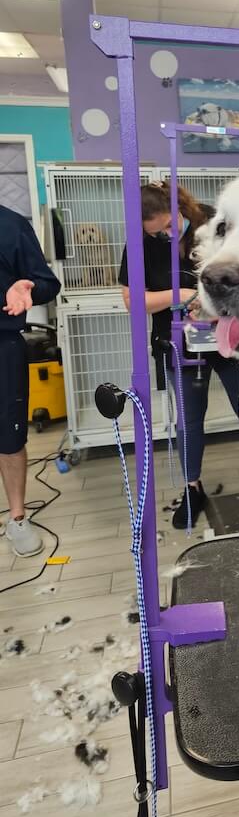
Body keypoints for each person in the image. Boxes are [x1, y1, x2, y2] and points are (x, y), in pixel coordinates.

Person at [119, 182, 239, 528]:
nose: (168, 235)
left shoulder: (216, 224)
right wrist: (177, 296)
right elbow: (131, 301)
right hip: (178, 344)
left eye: (171, 224)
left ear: (179, 206)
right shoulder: (139, 247)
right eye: (158, 233)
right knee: (190, 420)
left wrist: (213, 306)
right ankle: (192, 488)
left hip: (232, 335)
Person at [0, 205, 61, 557]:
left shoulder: (10, 225)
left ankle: (18, 517)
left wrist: (28, 289)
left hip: (3, 343)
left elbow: (48, 283)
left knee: (9, 436)